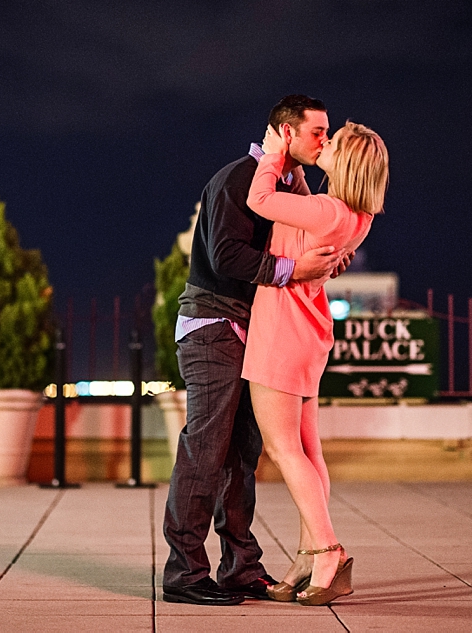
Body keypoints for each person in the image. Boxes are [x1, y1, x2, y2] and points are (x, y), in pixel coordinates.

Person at [162, 95, 351, 606]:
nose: (325, 142)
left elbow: (293, 247)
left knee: (242, 455)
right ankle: (184, 572)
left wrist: (328, 258)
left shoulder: (290, 186)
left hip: (259, 332)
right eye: (318, 132)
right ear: (286, 133)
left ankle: (241, 568)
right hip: (214, 326)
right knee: (206, 448)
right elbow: (225, 256)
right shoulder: (239, 178)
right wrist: (293, 270)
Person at [243, 120, 389, 605]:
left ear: (345, 163)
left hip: (283, 329)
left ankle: (327, 551)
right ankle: (310, 551)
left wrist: (272, 153)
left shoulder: (326, 210)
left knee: (283, 448)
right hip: (309, 331)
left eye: (333, 143)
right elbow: (305, 222)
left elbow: (259, 200)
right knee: (307, 447)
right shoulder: (355, 214)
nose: (323, 144)